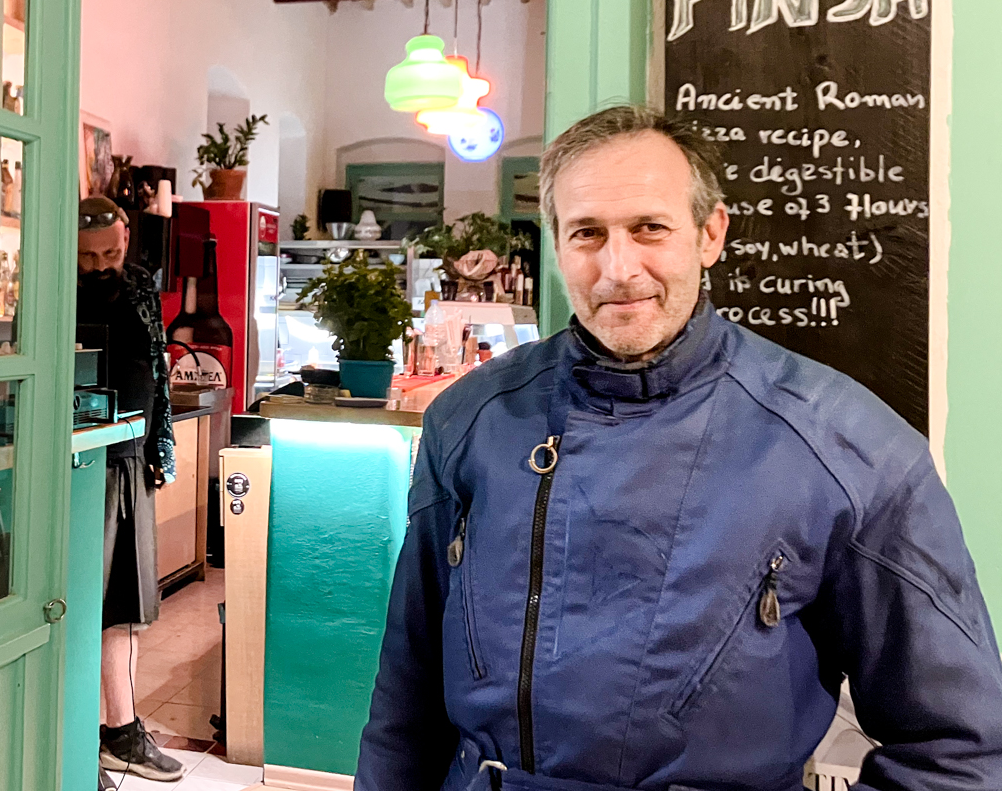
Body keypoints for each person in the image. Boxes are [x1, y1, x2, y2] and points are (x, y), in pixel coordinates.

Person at [355, 106, 1002, 791]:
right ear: (555, 242)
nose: (617, 267)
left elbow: (958, 747)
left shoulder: (845, 446)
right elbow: (408, 695)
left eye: (648, 229)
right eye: (586, 234)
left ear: (709, 233)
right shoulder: (472, 419)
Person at [76, 196, 184, 782]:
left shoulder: (140, 283)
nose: (100, 265)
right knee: (80, 604)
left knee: (126, 608)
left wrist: (161, 451)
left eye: (111, 252)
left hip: (132, 458)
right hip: (78, 462)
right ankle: (73, 737)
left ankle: (119, 730)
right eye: (88, 256)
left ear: (125, 239)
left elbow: (157, 366)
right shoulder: (54, 281)